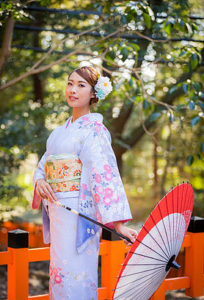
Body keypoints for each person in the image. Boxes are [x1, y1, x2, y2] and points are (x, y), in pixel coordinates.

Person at [32, 66, 137, 300]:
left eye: (81, 85)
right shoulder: (58, 133)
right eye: (70, 83)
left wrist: (117, 223)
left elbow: (104, 173)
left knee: (77, 275)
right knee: (59, 273)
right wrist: (39, 181)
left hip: (79, 213)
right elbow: (42, 167)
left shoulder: (94, 130)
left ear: (93, 93)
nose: (73, 90)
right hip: (59, 212)